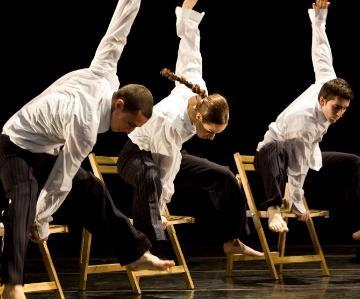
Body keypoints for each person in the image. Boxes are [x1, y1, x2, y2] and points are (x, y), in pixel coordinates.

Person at [0, 0, 174, 299]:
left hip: (45, 151)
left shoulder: (105, 75)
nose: (129, 132)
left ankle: (134, 252)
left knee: (93, 188)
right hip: (13, 148)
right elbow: (61, 180)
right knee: (24, 196)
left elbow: (115, 37)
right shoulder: (85, 124)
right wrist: (41, 217)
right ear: (119, 104)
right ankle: (13, 285)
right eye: (129, 123)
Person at [117, 0, 263, 258]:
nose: (211, 136)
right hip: (137, 156)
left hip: (168, 154)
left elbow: (190, 48)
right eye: (209, 129)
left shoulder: (196, 88)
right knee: (150, 175)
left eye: (218, 132)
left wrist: (187, 11)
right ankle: (142, 249)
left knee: (224, 176)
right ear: (197, 116)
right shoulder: (169, 120)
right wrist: (161, 208)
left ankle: (232, 239)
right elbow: (166, 165)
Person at [254, 0, 359, 236]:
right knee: (276, 148)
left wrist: (320, 16)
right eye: (336, 108)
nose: (340, 114)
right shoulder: (305, 123)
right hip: (273, 159)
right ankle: (273, 208)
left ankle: (358, 224)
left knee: (352, 162)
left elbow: (321, 53)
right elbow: (297, 166)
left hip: (305, 153)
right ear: (323, 101)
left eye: (344, 109)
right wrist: (296, 200)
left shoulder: (326, 84)